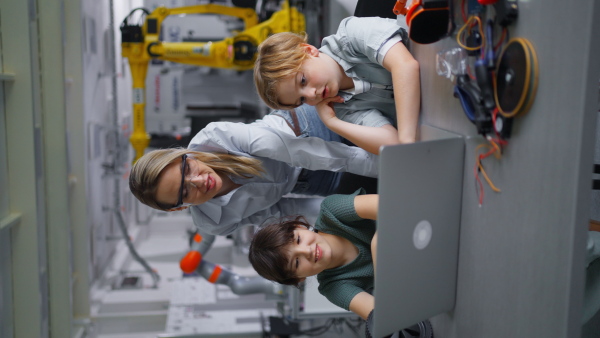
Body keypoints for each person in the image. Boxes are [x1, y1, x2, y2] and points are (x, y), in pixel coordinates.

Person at [129, 106, 379, 236]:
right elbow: (284, 211)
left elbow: (301, 152)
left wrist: (383, 164)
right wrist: (340, 214)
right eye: (185, 191)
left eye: (187, 167)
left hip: (310, 131)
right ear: (181, 207)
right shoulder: (214, 222)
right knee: (377, 200)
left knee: (392, 144)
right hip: (310, 184)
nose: (198, 181)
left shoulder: (216, 137)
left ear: (184, 155)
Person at [253, 16, 421, 154]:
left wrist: (406, 140)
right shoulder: (340, 107)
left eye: (303, 81)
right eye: (302, 99)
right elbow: (391, 143)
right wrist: (332, 123)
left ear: (309, 51)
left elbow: (405, 65)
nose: (312, 95)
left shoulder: (350, 34)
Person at [249, 189, 379, 320]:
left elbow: (390, 205)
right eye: (297, 262)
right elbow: (380, 316)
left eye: (298, 240)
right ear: (298, 278)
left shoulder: (332, 211)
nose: (307, 251)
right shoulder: (333, 288)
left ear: (299, 226)